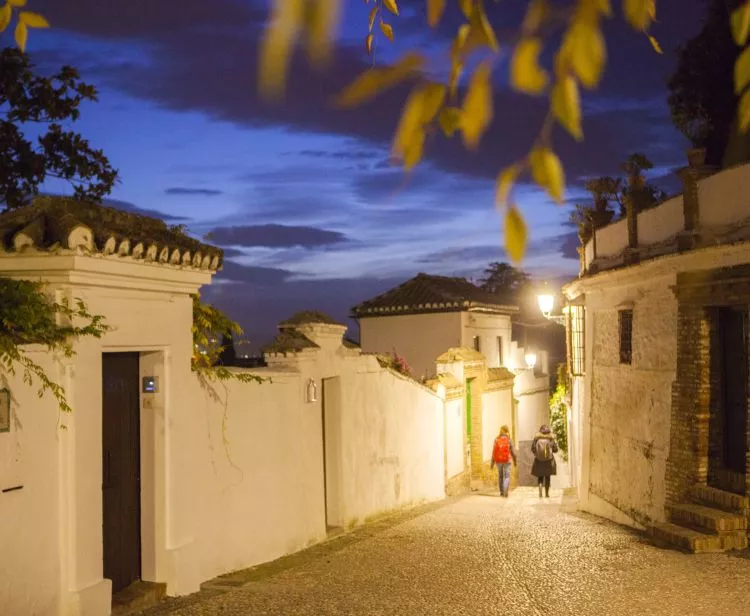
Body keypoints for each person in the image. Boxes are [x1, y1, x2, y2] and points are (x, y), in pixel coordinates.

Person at [531, 424, 558, 498]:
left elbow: (533, 448)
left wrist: (537, 454)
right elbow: (555, 449)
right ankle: (546, 493)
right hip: (548, 460)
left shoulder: (536, 438)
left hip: (539, 460)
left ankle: (540, 486)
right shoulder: (550, 437)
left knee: (540, 476)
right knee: (547, 476)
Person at [490, 425, 517, 497]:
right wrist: (515, 461)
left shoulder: (496, 439)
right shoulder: (509, 440)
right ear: (507, 431)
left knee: (500, 476)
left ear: (500, 430)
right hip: (507, 460)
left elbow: (494, 452)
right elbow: (514, 452)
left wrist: (492, 463)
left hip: (498, 461)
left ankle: (502, 492)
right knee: (507, 476)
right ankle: (505, 490)